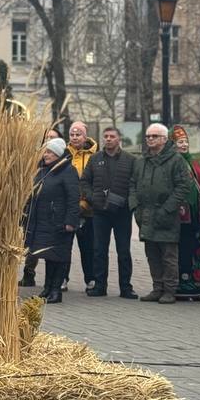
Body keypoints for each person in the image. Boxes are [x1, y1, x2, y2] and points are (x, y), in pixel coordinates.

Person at [131, 123, 193, 304]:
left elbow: (183, 186)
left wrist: (168, 208)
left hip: (166, 214)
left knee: (168, 255)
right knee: (152, 253)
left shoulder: (176, 160)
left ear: (165, 139)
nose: (150, 139)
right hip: (145, 214)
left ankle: (169, 290)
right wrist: (134, 205)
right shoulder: (141, 161)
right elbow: (132, 184)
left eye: (154, 136)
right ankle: (157, 287)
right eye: (148, 136)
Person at [82, 125, 137, 299]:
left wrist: (128, 201)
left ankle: (126, 287)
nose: (108, 139)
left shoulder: (130, 159)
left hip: (122, 212)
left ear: (119, 138)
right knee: (99, 250)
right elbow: (84, 182)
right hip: (100, 212)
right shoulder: (95, 159)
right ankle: (100, 285)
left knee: (123, 250)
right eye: (105, 136)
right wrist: (93, 198)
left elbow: (135, 183)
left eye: (112, 136)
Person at [24, 137, 79, 304]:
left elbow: (73, 197)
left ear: (57, 154)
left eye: (49, 152)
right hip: (44, 220)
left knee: (60, 256)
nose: (45, 155)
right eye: (45, 151)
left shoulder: (68, 171)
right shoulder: (43, 170)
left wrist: (70, 221)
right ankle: (47, 288)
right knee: (49, 256)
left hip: (60, 221)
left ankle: (56, 290)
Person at [170, 126, 200, 301]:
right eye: (180, 142)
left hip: (196, 214)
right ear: (173, 144)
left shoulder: (193, 161)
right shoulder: (172, 162)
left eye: (186, 141)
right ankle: (182, 287)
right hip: (181, 215)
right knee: (182, 250)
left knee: (197, 250)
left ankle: (198, 287)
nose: (184, 144)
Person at [64, 121, 97, 291]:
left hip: (87, 210)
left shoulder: (95, 155)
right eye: (72, 134)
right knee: (64, 246)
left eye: (78, 134)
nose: (75, 137)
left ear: (85, 136)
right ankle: (62, 278)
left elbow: (94, 181)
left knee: (88, 247)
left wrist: (84, 204)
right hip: (66, 209)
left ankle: (90, 279)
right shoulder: (64, 154)